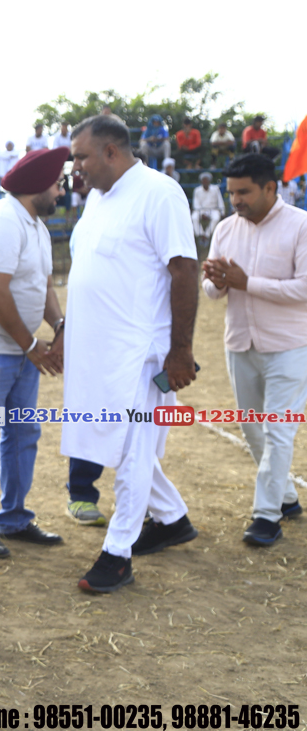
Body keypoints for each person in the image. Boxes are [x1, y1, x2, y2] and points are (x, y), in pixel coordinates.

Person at [64, 115, 200, 593]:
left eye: (81, 156)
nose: (75, 166)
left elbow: (184, 270)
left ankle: (117, 554)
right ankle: (173, 518)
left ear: (111, 152)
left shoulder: (159, 193)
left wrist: (180, 351)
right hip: (96, 354)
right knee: (124, 445)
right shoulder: (97, 199)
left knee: (134, 448)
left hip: (141, 356)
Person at [202, 153, 307, 547]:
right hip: (240, 343)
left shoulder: (300, 225)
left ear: (270, 187)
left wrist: (247, 283)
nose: (236, 201)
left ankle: (266, 516)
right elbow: (212, 291)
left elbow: (304, 288)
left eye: (244, 192)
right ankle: (286, 498)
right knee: (252, 429)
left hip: (290, 346)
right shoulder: (226, 228)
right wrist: (217, 281)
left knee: (277, 430)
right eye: (231, 193)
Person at [0, 147, 68, 559]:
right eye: (57, 184)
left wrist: (60, 325)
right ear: (40, 185)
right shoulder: (2, 222)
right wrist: (32, 346)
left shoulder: (35, 225)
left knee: (23, 433)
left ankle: (14, 518)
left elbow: (43, 287)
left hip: (20, 351)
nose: (61, 192)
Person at [192, 171, 225, 242]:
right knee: (194, 217)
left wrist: (222, 212)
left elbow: (220, 201)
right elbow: (196, 204)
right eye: (203, 181)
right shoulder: (197, 190)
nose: (205, 182)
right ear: (201, 182)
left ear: (209, 181)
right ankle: (200, 234)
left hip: (213, 209)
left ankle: (207, 235)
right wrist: (202, 213)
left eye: (206, 180)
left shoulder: (215, 189)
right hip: (201, 210)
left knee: (216, 218)